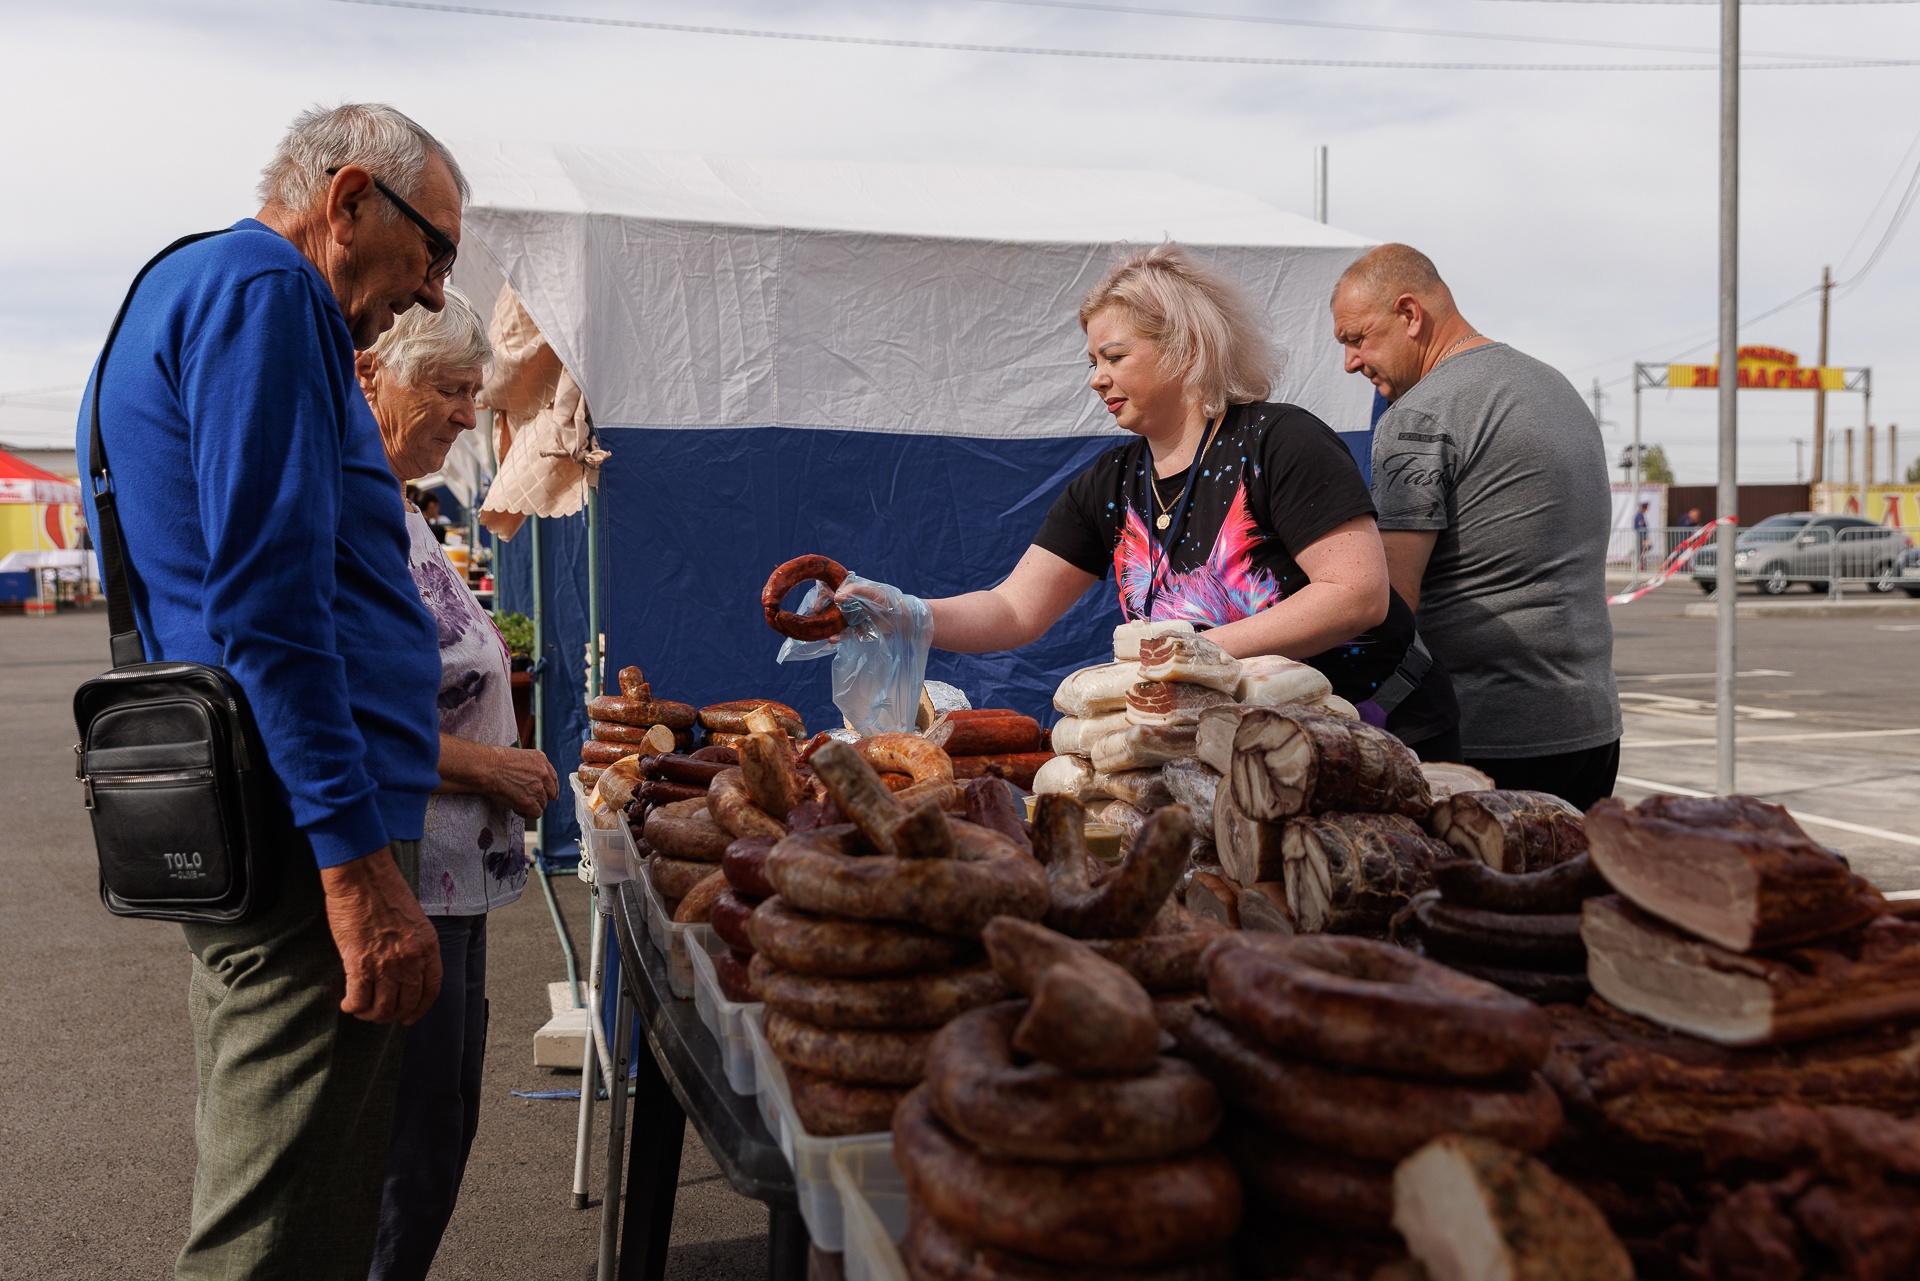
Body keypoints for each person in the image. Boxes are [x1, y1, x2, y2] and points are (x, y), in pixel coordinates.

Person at [76, 103, 467, 1280]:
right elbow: (267, 603)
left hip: (263, 803)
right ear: (348, 201)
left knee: (293, 1183)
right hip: (301, 828)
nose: (436, 291)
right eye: (434, 251)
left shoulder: (192, 284)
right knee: (279, 1222)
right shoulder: (264, 291)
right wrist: (355, 868)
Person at [850, 244, 1458, 755]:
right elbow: (1014, 610)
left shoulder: (1281, 441)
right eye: (1092, 361)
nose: (1096, 378)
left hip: (1369, 735)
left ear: (1187, 348)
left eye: (1114, 357)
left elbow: (1355, 595)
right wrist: (904, 612)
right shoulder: (1109, 482)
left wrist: (1189, 656)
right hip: (1225, 749)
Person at [356, 287, 557, 1280]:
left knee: (443, 1118)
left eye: (474, 392)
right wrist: (489, 763)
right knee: (413, 1131)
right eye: (448, 389)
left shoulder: (405, 507)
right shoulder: (352, 511)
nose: (469, 414)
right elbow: (342, 704)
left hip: (453, 872)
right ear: (371, 378)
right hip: (405, 868)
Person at [1329, 243, 1620, 809]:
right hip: (1592, 725)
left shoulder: (1418, 416)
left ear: (1410, 315)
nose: (1350, 362)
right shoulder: (1553, 386)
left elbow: (1386, 605)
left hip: (1489, 742)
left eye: (1356, 338)